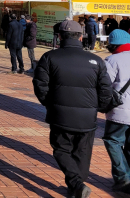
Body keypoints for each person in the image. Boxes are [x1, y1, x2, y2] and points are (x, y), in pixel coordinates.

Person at [33, 20, 112, 198]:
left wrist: (50, 104)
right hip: (87, 117)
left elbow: (40, 86)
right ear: (81, 36)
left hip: (60, 116)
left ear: (60, 36)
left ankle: (76, 184)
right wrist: (96, 107)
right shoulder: (96, 60)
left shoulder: (49, 57)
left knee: (61, 149)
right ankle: (77, 185)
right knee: (82, 153)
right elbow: (106, 90)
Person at [103, 29, 130, 193]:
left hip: (120, 112)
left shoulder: (112, 60)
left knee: (112, 141)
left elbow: (105, 86)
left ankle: (123, 179)